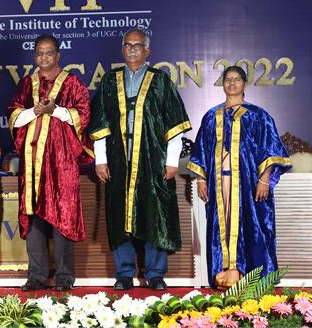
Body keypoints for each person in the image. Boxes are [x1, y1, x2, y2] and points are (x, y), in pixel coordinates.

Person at [88, 29, 191, 291]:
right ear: (122, 49)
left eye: (138, 45)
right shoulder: (109, 81)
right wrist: (101, 159)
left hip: (153, 160)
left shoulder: (161, 80)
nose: (133, 49)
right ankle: (124, 273)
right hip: (118, 161)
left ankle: (155, 274)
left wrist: (171, 160)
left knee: (154, 214)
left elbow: (174, 123)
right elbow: (100, 123)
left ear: (147, 50)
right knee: (119, 214)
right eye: (128, 45)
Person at [188, 66, 291, 289]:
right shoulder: (211, 116)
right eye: (227, 79)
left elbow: (271, 150)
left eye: (236, 79)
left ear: (244, 84)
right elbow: (201, 150)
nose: (232, 83)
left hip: (249, 184)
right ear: (223, 84)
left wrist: (264, 179)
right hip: (219, 184)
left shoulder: (259, 116)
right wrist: (201, 180)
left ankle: (254, 278)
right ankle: (225, 275)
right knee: (222, 226)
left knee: (253, 228)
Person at [7, 34, 93, 292]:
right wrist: (34, 111)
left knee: (62, 215)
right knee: (34, 218)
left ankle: (65, 276)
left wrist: (54, 110)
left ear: (58, 55)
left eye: (49, 52)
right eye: (39, 53)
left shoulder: (72, 83)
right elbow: (13, 115)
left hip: (61, 162)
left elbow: (83, 115)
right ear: (35, 56)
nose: (44, 57)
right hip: (32, 162)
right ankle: (37, 275)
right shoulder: (26, 84)